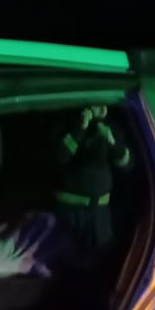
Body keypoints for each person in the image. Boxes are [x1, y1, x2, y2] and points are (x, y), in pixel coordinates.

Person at [53, 105, 131, 263]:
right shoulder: (66, 123)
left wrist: (112, 142)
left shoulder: (110, 127)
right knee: (64, 262)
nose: (99, 109)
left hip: (99, 213)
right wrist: (81, 127)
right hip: (69, 211)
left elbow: (127, 163)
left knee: (101, 262)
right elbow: (61, 156)